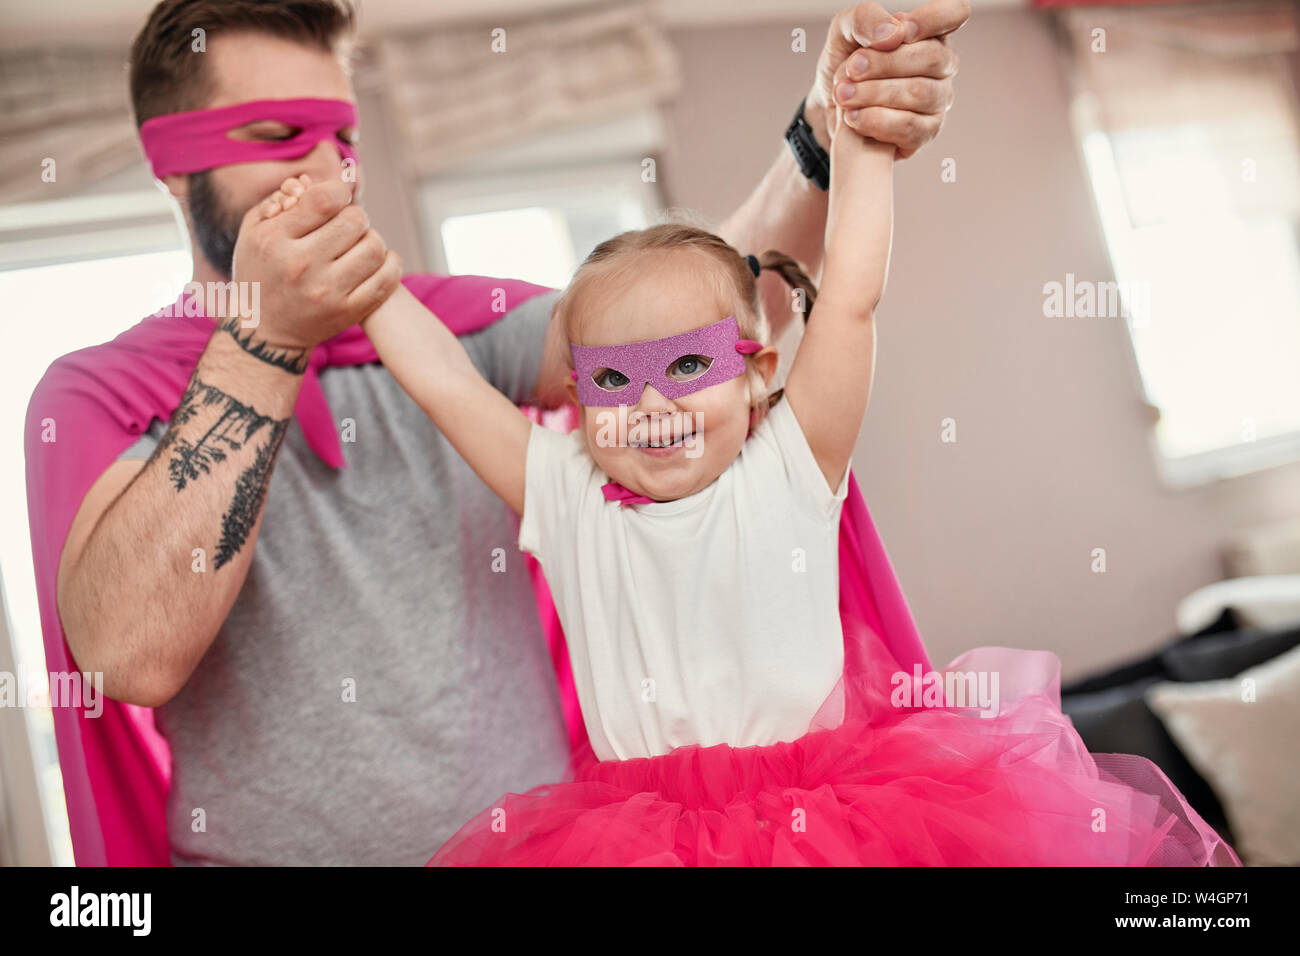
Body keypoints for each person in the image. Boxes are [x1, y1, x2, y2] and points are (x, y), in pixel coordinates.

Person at [25, 0, 968, 865]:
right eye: (277, 135)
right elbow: (130, 655)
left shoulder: (457, 327)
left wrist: (824, 134)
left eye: (343, 137)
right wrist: (265, 338)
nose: (323, 169)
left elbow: (679, 320)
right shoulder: (98, 393)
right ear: (171, 158)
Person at [252, 81, 1240, 866]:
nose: (651, 402)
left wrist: (859, 147)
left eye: (687, 364)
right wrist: (354, 245)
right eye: (613, 379)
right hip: (633, 833)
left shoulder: (793, 461)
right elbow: (444, 381)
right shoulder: (562, 489)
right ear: (580, 401)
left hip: (840, 820)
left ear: (758, 372)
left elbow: (847, 303)